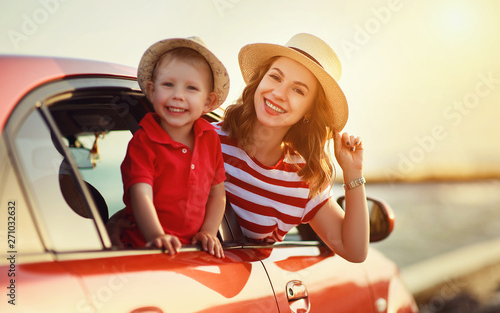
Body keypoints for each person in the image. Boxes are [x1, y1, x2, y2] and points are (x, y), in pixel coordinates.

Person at [110, 33, 369, 263]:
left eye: (298, 91)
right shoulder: (201, 137)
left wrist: (352, 172)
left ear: (310, 111)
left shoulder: (303, 180)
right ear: (259, 80)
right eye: (275, 77)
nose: (278, 93)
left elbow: (354, 251)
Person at [119, 37, 229, 258]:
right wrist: (156, 235)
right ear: (151, 90)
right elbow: (141, 193)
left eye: (191, 88)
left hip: (190, 252)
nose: (178, 95)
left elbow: (217, 193)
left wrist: (208, 231)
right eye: (168, 84)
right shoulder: (144, 140)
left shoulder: (210, 138)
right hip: (144, 250)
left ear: (208, 102)